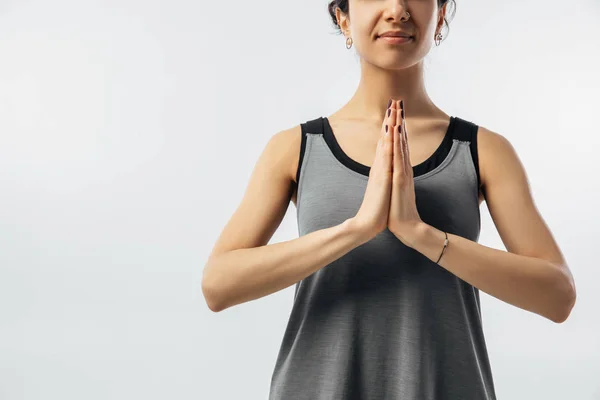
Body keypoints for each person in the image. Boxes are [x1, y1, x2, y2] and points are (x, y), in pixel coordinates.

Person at [201, 1, 577, 399]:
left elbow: (557, 296)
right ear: (342, 17)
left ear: (441, 15)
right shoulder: (295, 148)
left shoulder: (483, 150)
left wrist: (420, 234)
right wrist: (357, 229)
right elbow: (218, 285)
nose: (397, 10)